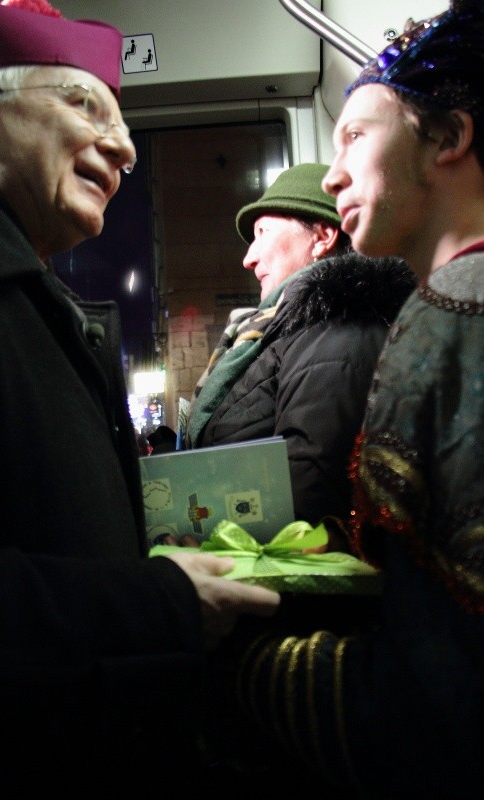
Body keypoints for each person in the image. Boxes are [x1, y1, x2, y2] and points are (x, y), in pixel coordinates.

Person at [0, 0, 279, 796]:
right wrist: (160, 602)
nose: (125, 146)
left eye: (123, 120)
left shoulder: (26, 292)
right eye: (81, 103)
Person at [214, 1, 484, 796]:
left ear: (449, 138)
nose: (331, 175)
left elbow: (437, 690)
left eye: (355, 136)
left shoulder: (451, 317)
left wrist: (234, 661)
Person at [185, 163, 416, 533]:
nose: (249, 257)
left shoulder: (340, 325)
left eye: (263, 233)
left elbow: (312, 487)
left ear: (322, 237)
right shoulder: (276, 332)